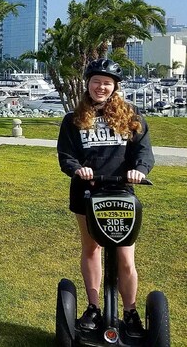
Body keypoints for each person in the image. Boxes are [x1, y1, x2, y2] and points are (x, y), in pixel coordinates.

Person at [57, 58, 155, 337]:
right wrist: (78, 169)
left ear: (115, 87)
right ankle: (93, 307)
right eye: (97, 81)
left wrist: (139, 169)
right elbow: (66, 155)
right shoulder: (74, 119)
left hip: (122, 192)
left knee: (125, 257)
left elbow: (143, 152)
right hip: (87, 192)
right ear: (88, 84)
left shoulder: (131, 115)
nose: (101, 87)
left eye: (107, 83)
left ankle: (131, 312)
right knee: (92, 249)